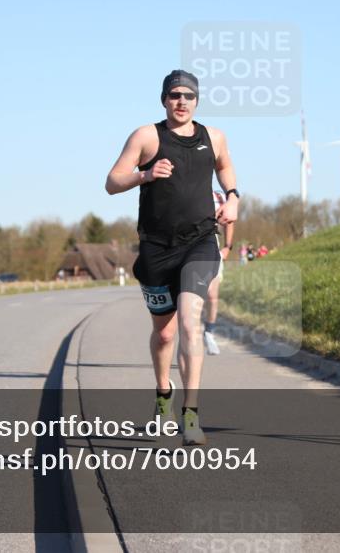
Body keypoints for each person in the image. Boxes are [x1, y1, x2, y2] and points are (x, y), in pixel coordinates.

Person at [105, 70, 240, 446]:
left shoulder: (214, 137)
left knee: (189, 324)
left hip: (199, 242)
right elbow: (112, 181)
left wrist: (233, 197)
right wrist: (144, 175)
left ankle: (191, 414)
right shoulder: (146, 136)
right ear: (164, 99)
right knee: (164, 333)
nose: (182, 101)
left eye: (189, 96)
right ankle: (163, 396)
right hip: (155, 248)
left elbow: (225, 165)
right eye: (175, 95)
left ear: (197, 101)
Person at [203, 190, 235, 356]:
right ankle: (189, 336)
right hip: (185, 245)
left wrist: (227, 247)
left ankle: (209, 332)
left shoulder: (217, 196)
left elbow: (228, 221)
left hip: (211, 245)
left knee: (212, 295)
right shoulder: (184, 188)